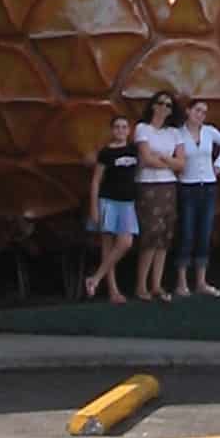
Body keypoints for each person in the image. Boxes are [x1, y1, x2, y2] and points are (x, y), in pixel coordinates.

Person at [173, 99, 220, 298]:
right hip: (187, 187)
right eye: (198, 110)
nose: (201, 115)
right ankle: (182, 282)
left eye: (204, 112)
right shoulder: (178, 133)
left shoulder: (209, 131)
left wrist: (218, 164)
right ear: (188, 111)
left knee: (204, 233)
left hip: (208, 186)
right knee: (187, 232)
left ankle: (201, 280)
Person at [133, 90, 184, 301]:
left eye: (169, 105)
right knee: (150, 234)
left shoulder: (174, 133)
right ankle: (141, 285)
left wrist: (162, 158)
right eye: (161, 103)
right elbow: (145, 159)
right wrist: (168, 161)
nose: (164, 108)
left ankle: (157, 284)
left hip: (169, 186)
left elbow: (181, 163)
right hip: (148, 185)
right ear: (153, 106)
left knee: (164, 235)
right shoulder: (143, 129)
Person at [84, 114, 138, 304]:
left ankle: (95, 278)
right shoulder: (106, 152)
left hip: (127, 203)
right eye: (117, 127)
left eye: (124, 127)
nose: (121, 130)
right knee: (108, 246)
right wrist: (94, 207)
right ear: (112, 130)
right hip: (108, 201)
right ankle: (113, 291)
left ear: (129, 130)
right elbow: (96, 180)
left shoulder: (134, 150)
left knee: (125, 242)